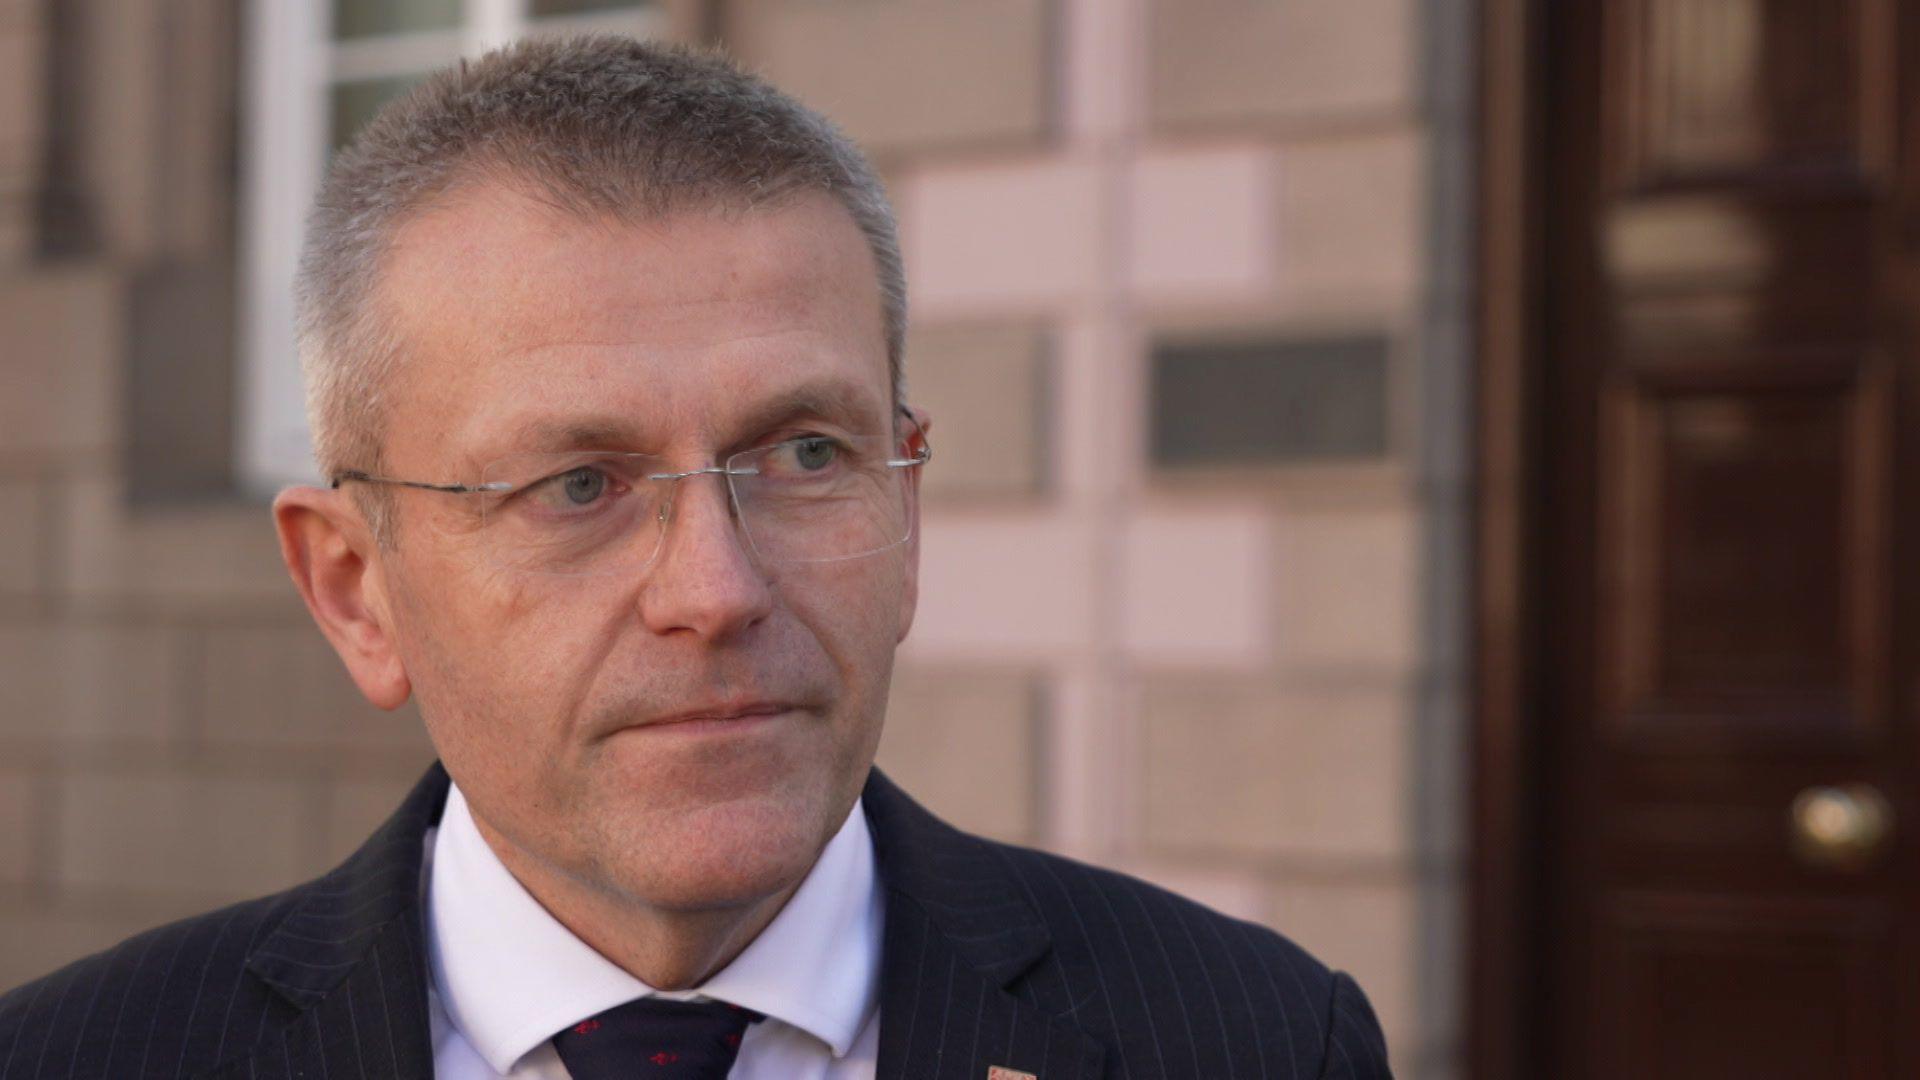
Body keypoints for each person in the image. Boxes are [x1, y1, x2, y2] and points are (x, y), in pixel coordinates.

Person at [0, 36, 1390, 1080]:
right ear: (358, 590)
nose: (715, 590)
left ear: (908, 514)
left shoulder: (1256, 1040)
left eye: (802, 456)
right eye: (580, 484)